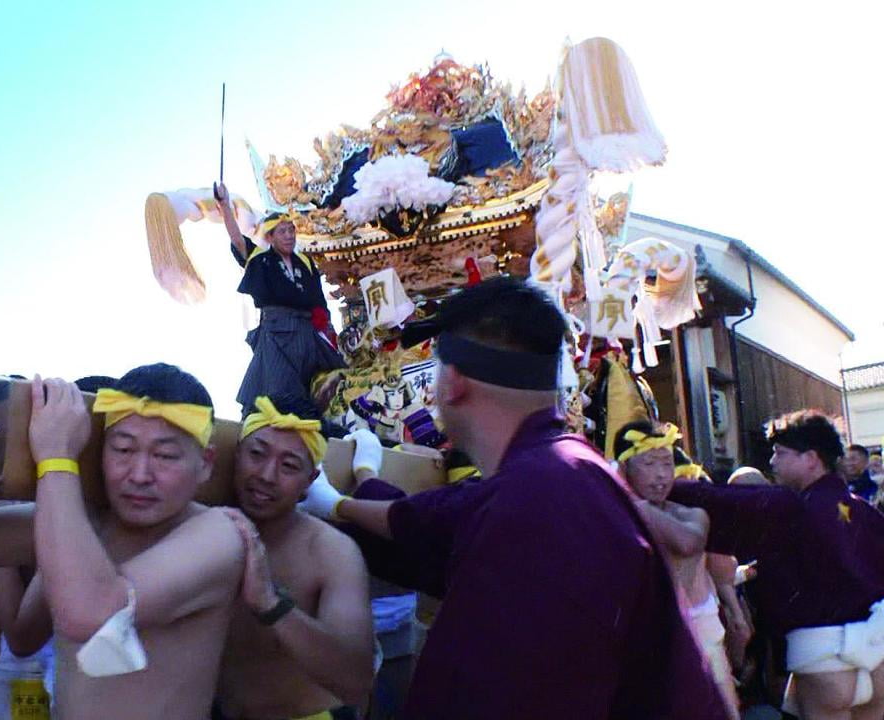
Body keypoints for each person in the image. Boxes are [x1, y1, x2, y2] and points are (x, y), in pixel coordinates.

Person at [298, 276, 729, 718]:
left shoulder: (540, 496)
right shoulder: (566, 471)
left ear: (453, 383)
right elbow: (438, 520)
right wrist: (345, 496)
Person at [0, 363, 246, 720]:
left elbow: (92, 616)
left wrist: (55, 457)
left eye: (164, 456)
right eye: (124, 449)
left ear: (205, 464)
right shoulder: (91, 523)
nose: (140, 475)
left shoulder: (220, 533)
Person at [669, 410, 884, 719]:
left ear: (811, 458)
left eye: (780, 453)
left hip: (824, 654)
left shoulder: (792, 507)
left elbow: (720, 500)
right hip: (878, 650)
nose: (772, 462)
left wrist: (653, 486)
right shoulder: (864, 510)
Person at [215, 395, 374, 720]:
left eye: (289, 465)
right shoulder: (202, 527)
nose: (267, 475)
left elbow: (355, 681)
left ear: (309, 482)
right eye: (257, 454)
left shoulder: (331, 552)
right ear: (236, 454)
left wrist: (271, 604)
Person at [614, 421, 740, 718]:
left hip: (702, 636)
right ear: (623, 469)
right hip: (645, 640)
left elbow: (687, 544)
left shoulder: (691, 515)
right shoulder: (609, 519)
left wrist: (632, 502)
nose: (661, 474)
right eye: (649, 463)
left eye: (667, 463)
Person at [214, 183, 345, 413]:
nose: (289, 236)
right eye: (282, 231)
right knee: (279, 392)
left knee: (336, 380)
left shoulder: (305, 263)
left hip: (308, 334)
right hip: (276, 333)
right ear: (271, 236)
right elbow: (237, 239)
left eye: (291, 230)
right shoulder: (262, 260)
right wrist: (225, 205)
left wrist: (327, 328)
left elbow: (320, 303)